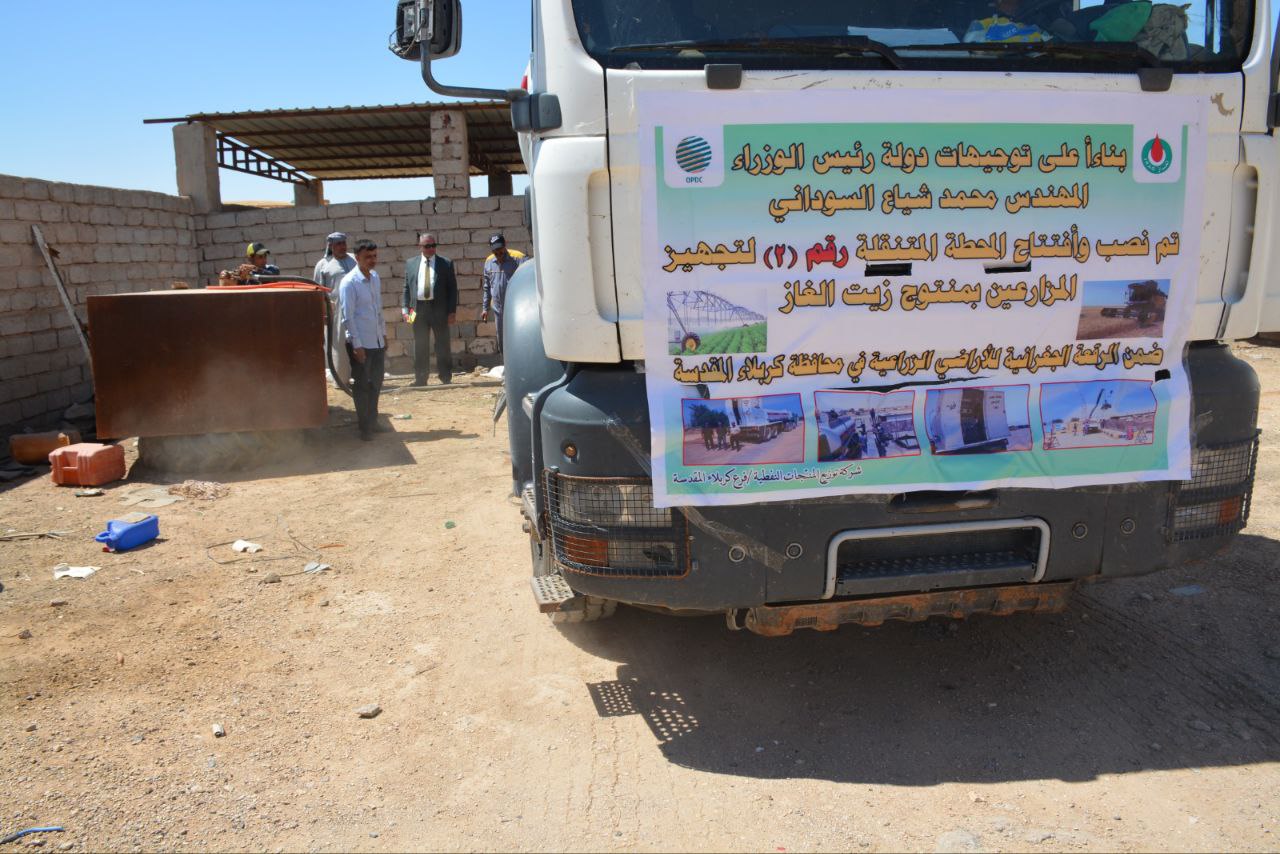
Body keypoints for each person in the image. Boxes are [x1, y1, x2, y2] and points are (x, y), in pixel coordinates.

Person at [337, 240, 387, 442]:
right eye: (368, 257)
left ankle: (373, 422)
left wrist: (383, 333)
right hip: (361, 343)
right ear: (357, 258)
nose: (372, 260)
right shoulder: (349, 283)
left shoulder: (375, 277)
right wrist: (356, 345)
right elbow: (347, 317)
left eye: (374, 256)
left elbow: (378, 309)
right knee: (362, 386)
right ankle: (364, 427)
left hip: (376, 341)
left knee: (376, 383)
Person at [402, 232, 458, 386]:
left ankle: (445, 377)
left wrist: (452, 311)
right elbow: (406, 288)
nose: (431, 249)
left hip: (439, 308)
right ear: (420, 247)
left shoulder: (445, 263)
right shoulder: (411, 263)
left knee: (442, 344)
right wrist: (405, 310)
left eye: (433, 245)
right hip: (416, 309)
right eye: (427, 246)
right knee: (419, 345)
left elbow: (453, 289)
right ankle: (420, 378)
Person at [313, 232, 356, 389]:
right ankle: (341, 379)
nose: (342, 246)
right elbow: (318, 291)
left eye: (344, 243)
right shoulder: (323, 265)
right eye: (338, 244)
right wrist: (323, 313)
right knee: (339, 344)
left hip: (357, 310)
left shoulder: (354, 259)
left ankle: (362, 377)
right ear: (330, 246)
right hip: (336, 311)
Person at [479, 233, 527, 354]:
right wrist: (484, 308)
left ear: (505, 245)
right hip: (498, 309)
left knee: (518, 337)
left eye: (500, 250)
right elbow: (487, 287)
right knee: (502, 339)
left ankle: (519, 363)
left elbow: (527, 282)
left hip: (516, 308)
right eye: (495, 251)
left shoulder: (518, 258)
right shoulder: (489, 262)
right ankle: (507, 365)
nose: (499, 254)